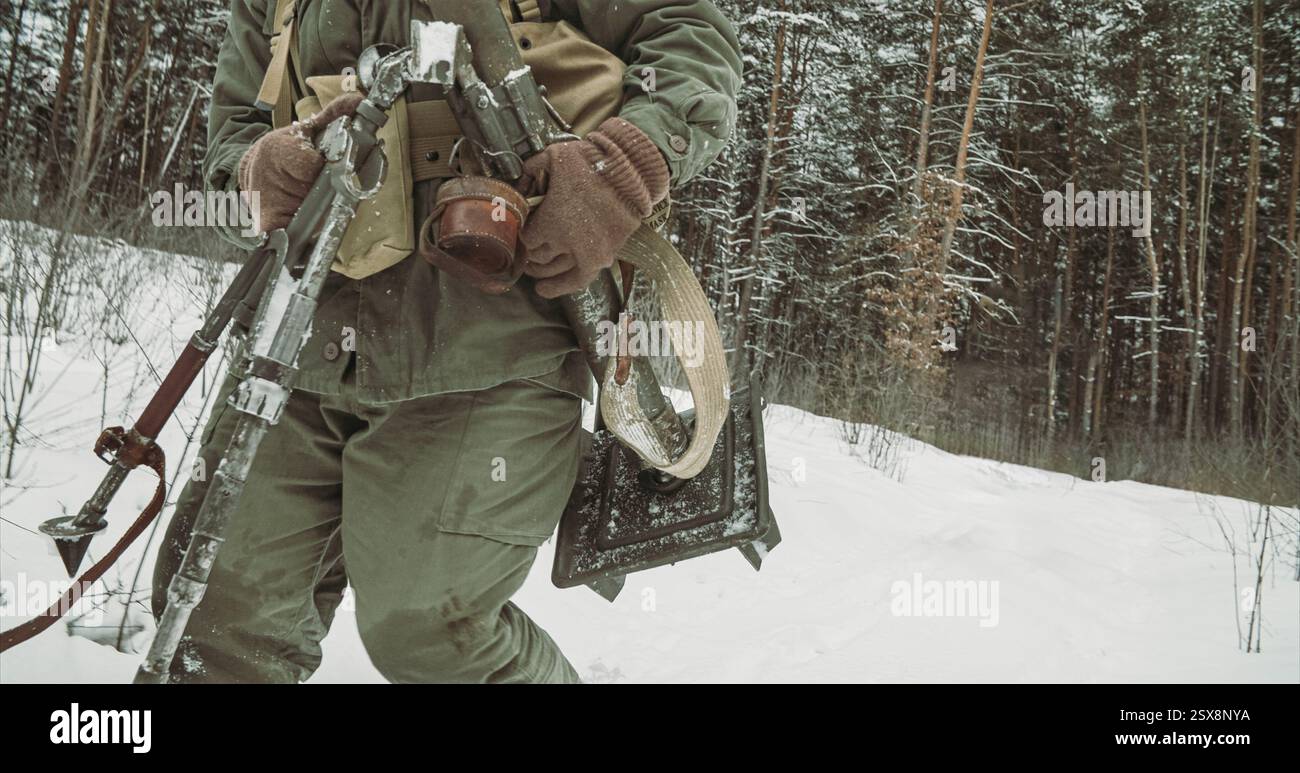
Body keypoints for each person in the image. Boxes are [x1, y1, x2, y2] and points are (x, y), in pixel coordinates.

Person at [151, 0, 741, 683]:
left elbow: (688, 34)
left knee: (431, 625)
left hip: (493, 343)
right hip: (296, 344)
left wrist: (622, 168)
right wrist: (254, 177)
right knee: (212, 620)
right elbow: (234, 134)